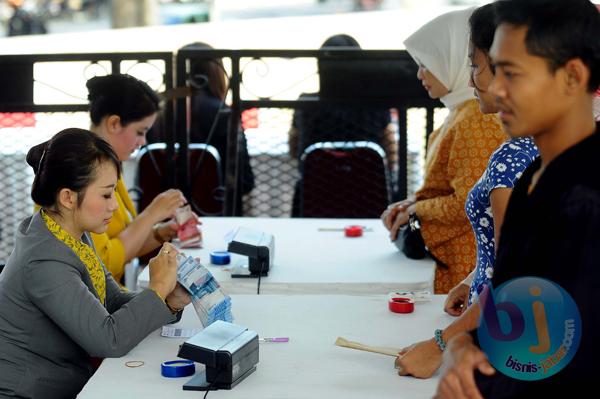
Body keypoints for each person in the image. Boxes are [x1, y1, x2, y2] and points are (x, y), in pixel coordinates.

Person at [434, 0, 600, 397]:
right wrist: (461, 346)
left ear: (572, 76)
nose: (496, 88)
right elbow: (517, 301)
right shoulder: (534, 174)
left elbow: (568, 358)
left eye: (512, 73)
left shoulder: (586, 196)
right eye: (494, 70)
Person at [393, 3, 539, 379]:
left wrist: (441, 345)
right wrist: (474, 277)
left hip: (500, 338)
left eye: (476, 65)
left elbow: (514, 279)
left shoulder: (515, 156)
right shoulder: (538, 146)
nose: (472, 79)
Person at [0, 128, 191, 398]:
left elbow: (110, 301)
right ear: (67, 197)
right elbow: (108, 340)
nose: (114, 206)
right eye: (105, 195)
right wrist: (155, 290)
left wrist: (168, 299)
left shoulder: (69, 233)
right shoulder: (44, 260)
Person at [381, 7, 506, 293]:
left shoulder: (476, 118)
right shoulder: (462, 110)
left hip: (462, 261)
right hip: (459, 261)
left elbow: (469, 200)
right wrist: (414, 203)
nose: (420, 73)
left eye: (427, 63)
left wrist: (417, 208)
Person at [86, 74, 187, 283]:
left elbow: (124, 244)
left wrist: (162, 232)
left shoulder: (106, 162)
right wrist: (152, 214)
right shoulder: (85, 169)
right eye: (140, 132)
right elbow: (102, 262)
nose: (143, 141)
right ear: (114, 123)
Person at [290, 34, 397, 217]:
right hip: (369, 199)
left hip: (316, 198)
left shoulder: (306, 104)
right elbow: (391, 156)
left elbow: (294, 150)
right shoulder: (376, 105)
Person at [184, 41, 255, 216]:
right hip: (219, 213)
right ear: (216, 71)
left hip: (167, 218)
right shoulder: (224, 113)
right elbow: (245, 180)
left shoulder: (159, 116)